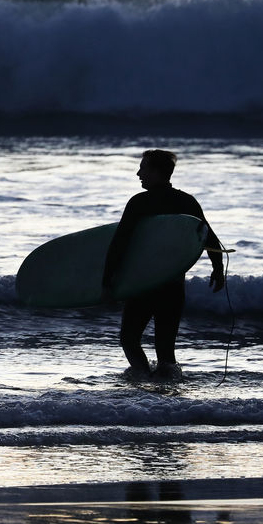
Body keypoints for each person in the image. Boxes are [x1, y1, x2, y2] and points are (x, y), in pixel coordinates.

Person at [103, 149, 225, 379]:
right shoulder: (186, 201)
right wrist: (217, 269)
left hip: (144, 284)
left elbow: (120, 243)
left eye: (144, 168)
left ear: (157, 172)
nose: (138, 173)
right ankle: (169, 398)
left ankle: (141, 381)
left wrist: (108, 280)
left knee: (129, 339)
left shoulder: (140, 202)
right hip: (173, 285)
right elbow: (208, 237)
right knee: (166, 351)